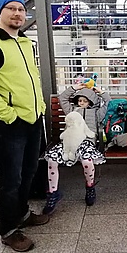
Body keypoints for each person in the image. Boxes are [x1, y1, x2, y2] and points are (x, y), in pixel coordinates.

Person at [0, 0, 49, 252]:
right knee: (10, 179)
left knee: (28, 172)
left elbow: (30, 79)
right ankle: (8, 229)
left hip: (32, 119)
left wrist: (39, 107)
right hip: (8, 124)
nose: (17, 13)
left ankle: (23, 213)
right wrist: (8, 115)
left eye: (20, 9)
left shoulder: (25, 42)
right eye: (11, 9)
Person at [43, 82, 110, 213]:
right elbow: (62, 98)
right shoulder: (71, 110)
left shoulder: (96, 113)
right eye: (79, 100)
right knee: (52, 160)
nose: (81, 103)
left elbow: (108, 103)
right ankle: (53, 193)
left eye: (85, 101)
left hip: (86, 142)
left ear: (90, 102)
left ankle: (90, 187)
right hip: (68, 142)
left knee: (87, 161)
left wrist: (101, 93)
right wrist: (74, 88)